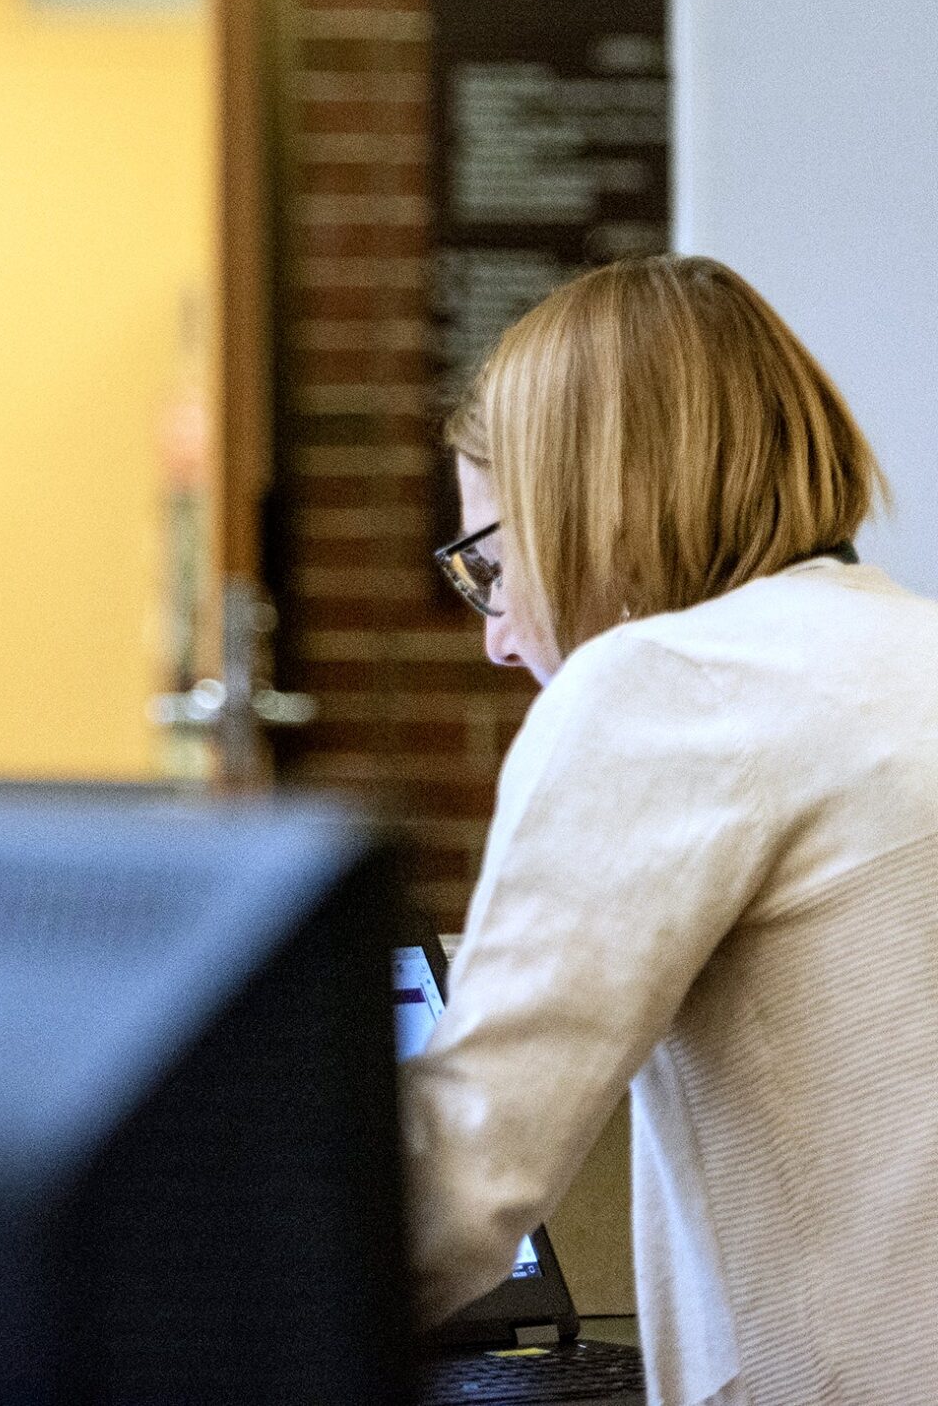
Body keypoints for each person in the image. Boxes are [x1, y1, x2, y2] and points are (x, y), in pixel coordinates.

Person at [406, 255, 938, 1405]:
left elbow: (457, 1182)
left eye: (491, 564)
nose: (497, 637)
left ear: (586, 502)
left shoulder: (660, 684)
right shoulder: (913, 655)